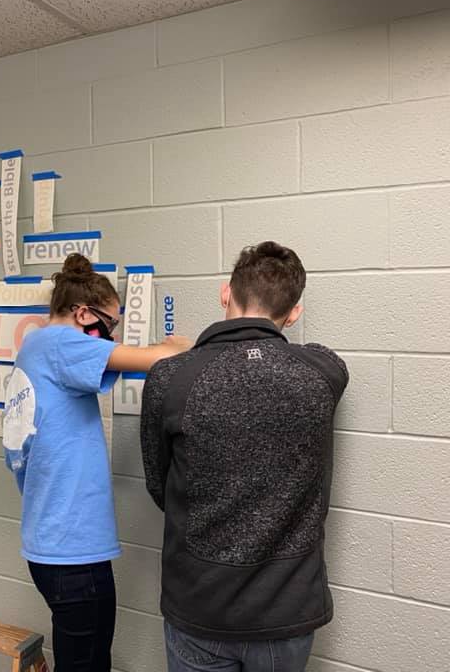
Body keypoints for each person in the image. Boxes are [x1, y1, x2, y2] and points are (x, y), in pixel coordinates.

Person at [140, 242, 349, 672]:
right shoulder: (323, 374)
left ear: (224, 293)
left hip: (201, 606)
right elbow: (322, 359)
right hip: (287, 613)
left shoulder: (170, 379)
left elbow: (160, 487)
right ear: (293, 314)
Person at [2, 253, 192, 672]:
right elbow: (153, 360)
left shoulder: (34, 344)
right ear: (84, 313)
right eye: (110, 324)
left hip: (51, 543)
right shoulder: (59, 343)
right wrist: (179, 348)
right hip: (72, 552)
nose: (110, 336)